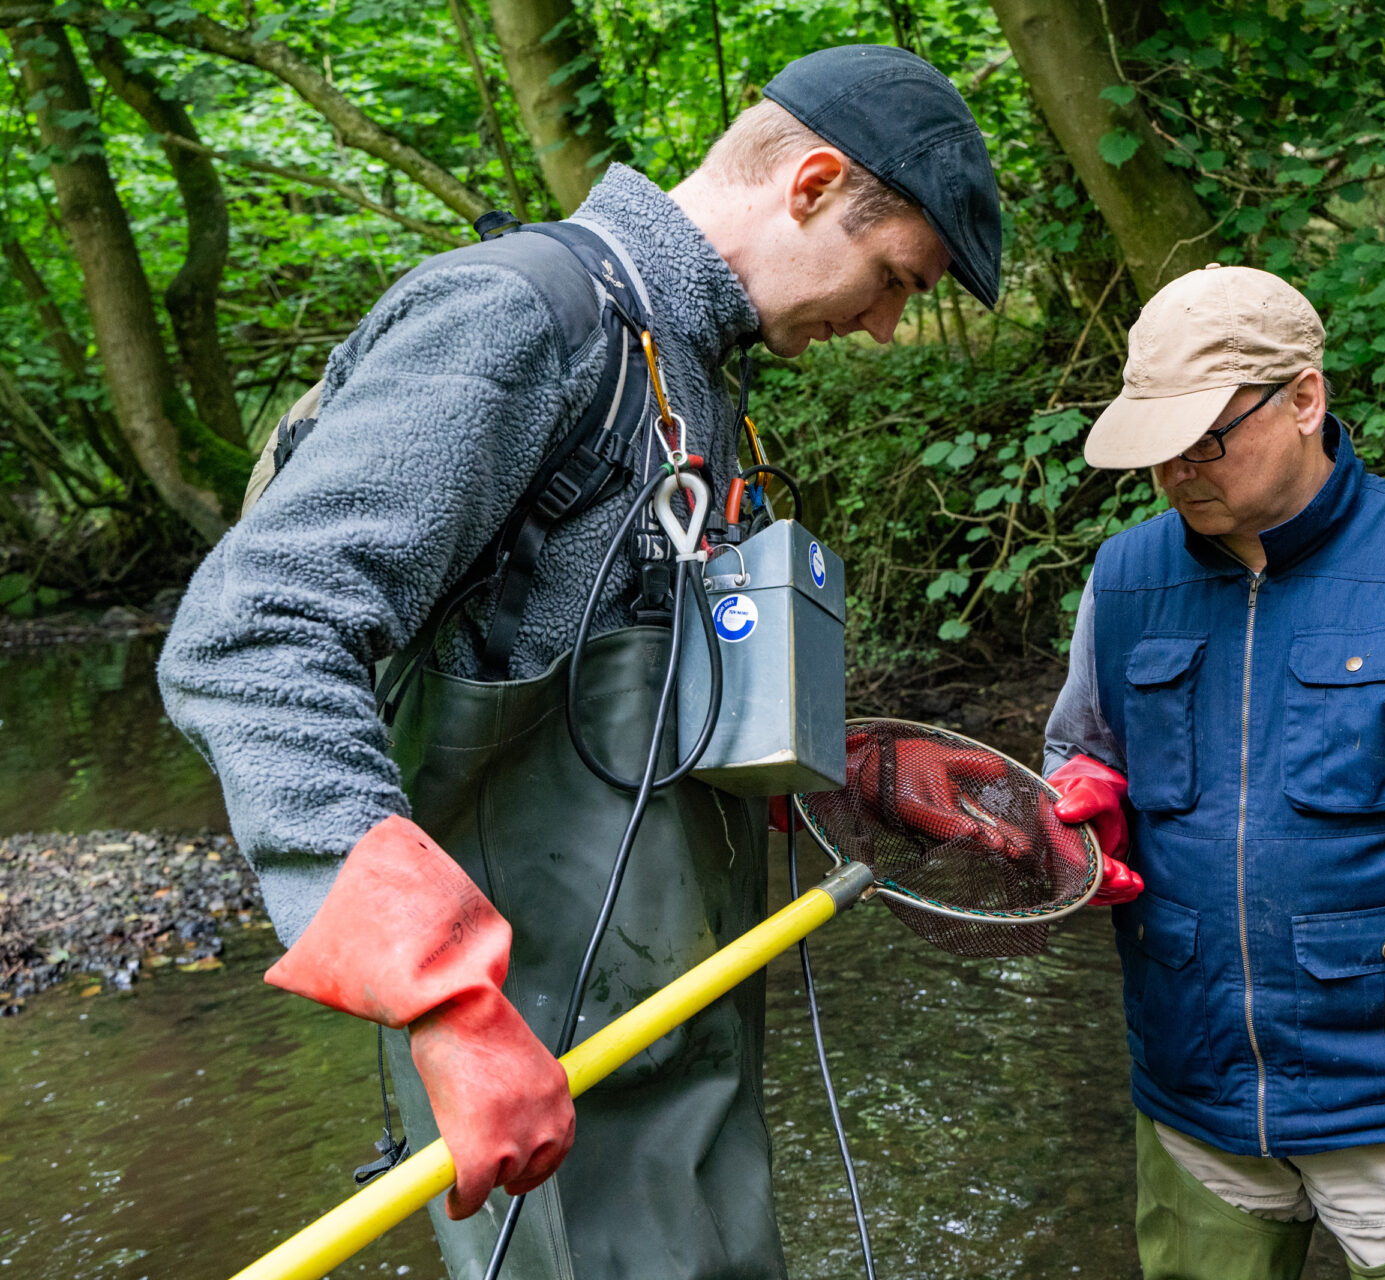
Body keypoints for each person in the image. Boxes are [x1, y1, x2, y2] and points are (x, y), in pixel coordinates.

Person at [157, 45, 1000, 1280]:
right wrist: (448, 1003)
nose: (881, 327)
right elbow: (255, 635)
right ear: (813, 184)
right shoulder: (524, 317)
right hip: (538, 1057)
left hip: (679, 1062)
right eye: (892, 280)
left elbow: (658, 706)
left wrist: (851, 765)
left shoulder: (701, 383)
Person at [1042, 264, 1385, 1279]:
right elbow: (1081, 751)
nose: (1176, 475)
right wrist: (1084, 807)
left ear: (1305, 397)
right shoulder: (1122, 579)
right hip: (1194, 1101)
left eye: (1205, 440)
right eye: (1156, 450)